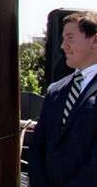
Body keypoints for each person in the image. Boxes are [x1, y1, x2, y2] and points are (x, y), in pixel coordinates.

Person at [28, 10, 96, 187]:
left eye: (70, 38)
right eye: (63, 38)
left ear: (94, 40)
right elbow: (37, 148)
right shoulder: (55, 90)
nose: (62, 46)